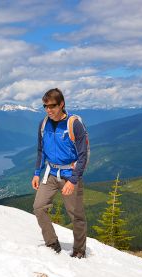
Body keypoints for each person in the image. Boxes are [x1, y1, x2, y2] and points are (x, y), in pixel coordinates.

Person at [32, 88, 89, 259]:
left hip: (69, 174)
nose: (49, 109)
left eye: (52, 106)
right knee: (38, 207)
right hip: (50, 173)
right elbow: (41, 150)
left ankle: (79, 250)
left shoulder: (74, 124)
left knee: (76, 215)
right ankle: (52, 243)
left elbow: (83, 155)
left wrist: (73, 180)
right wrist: (37, 172)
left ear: (61, 104)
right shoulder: (43, 124)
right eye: (45, 106)